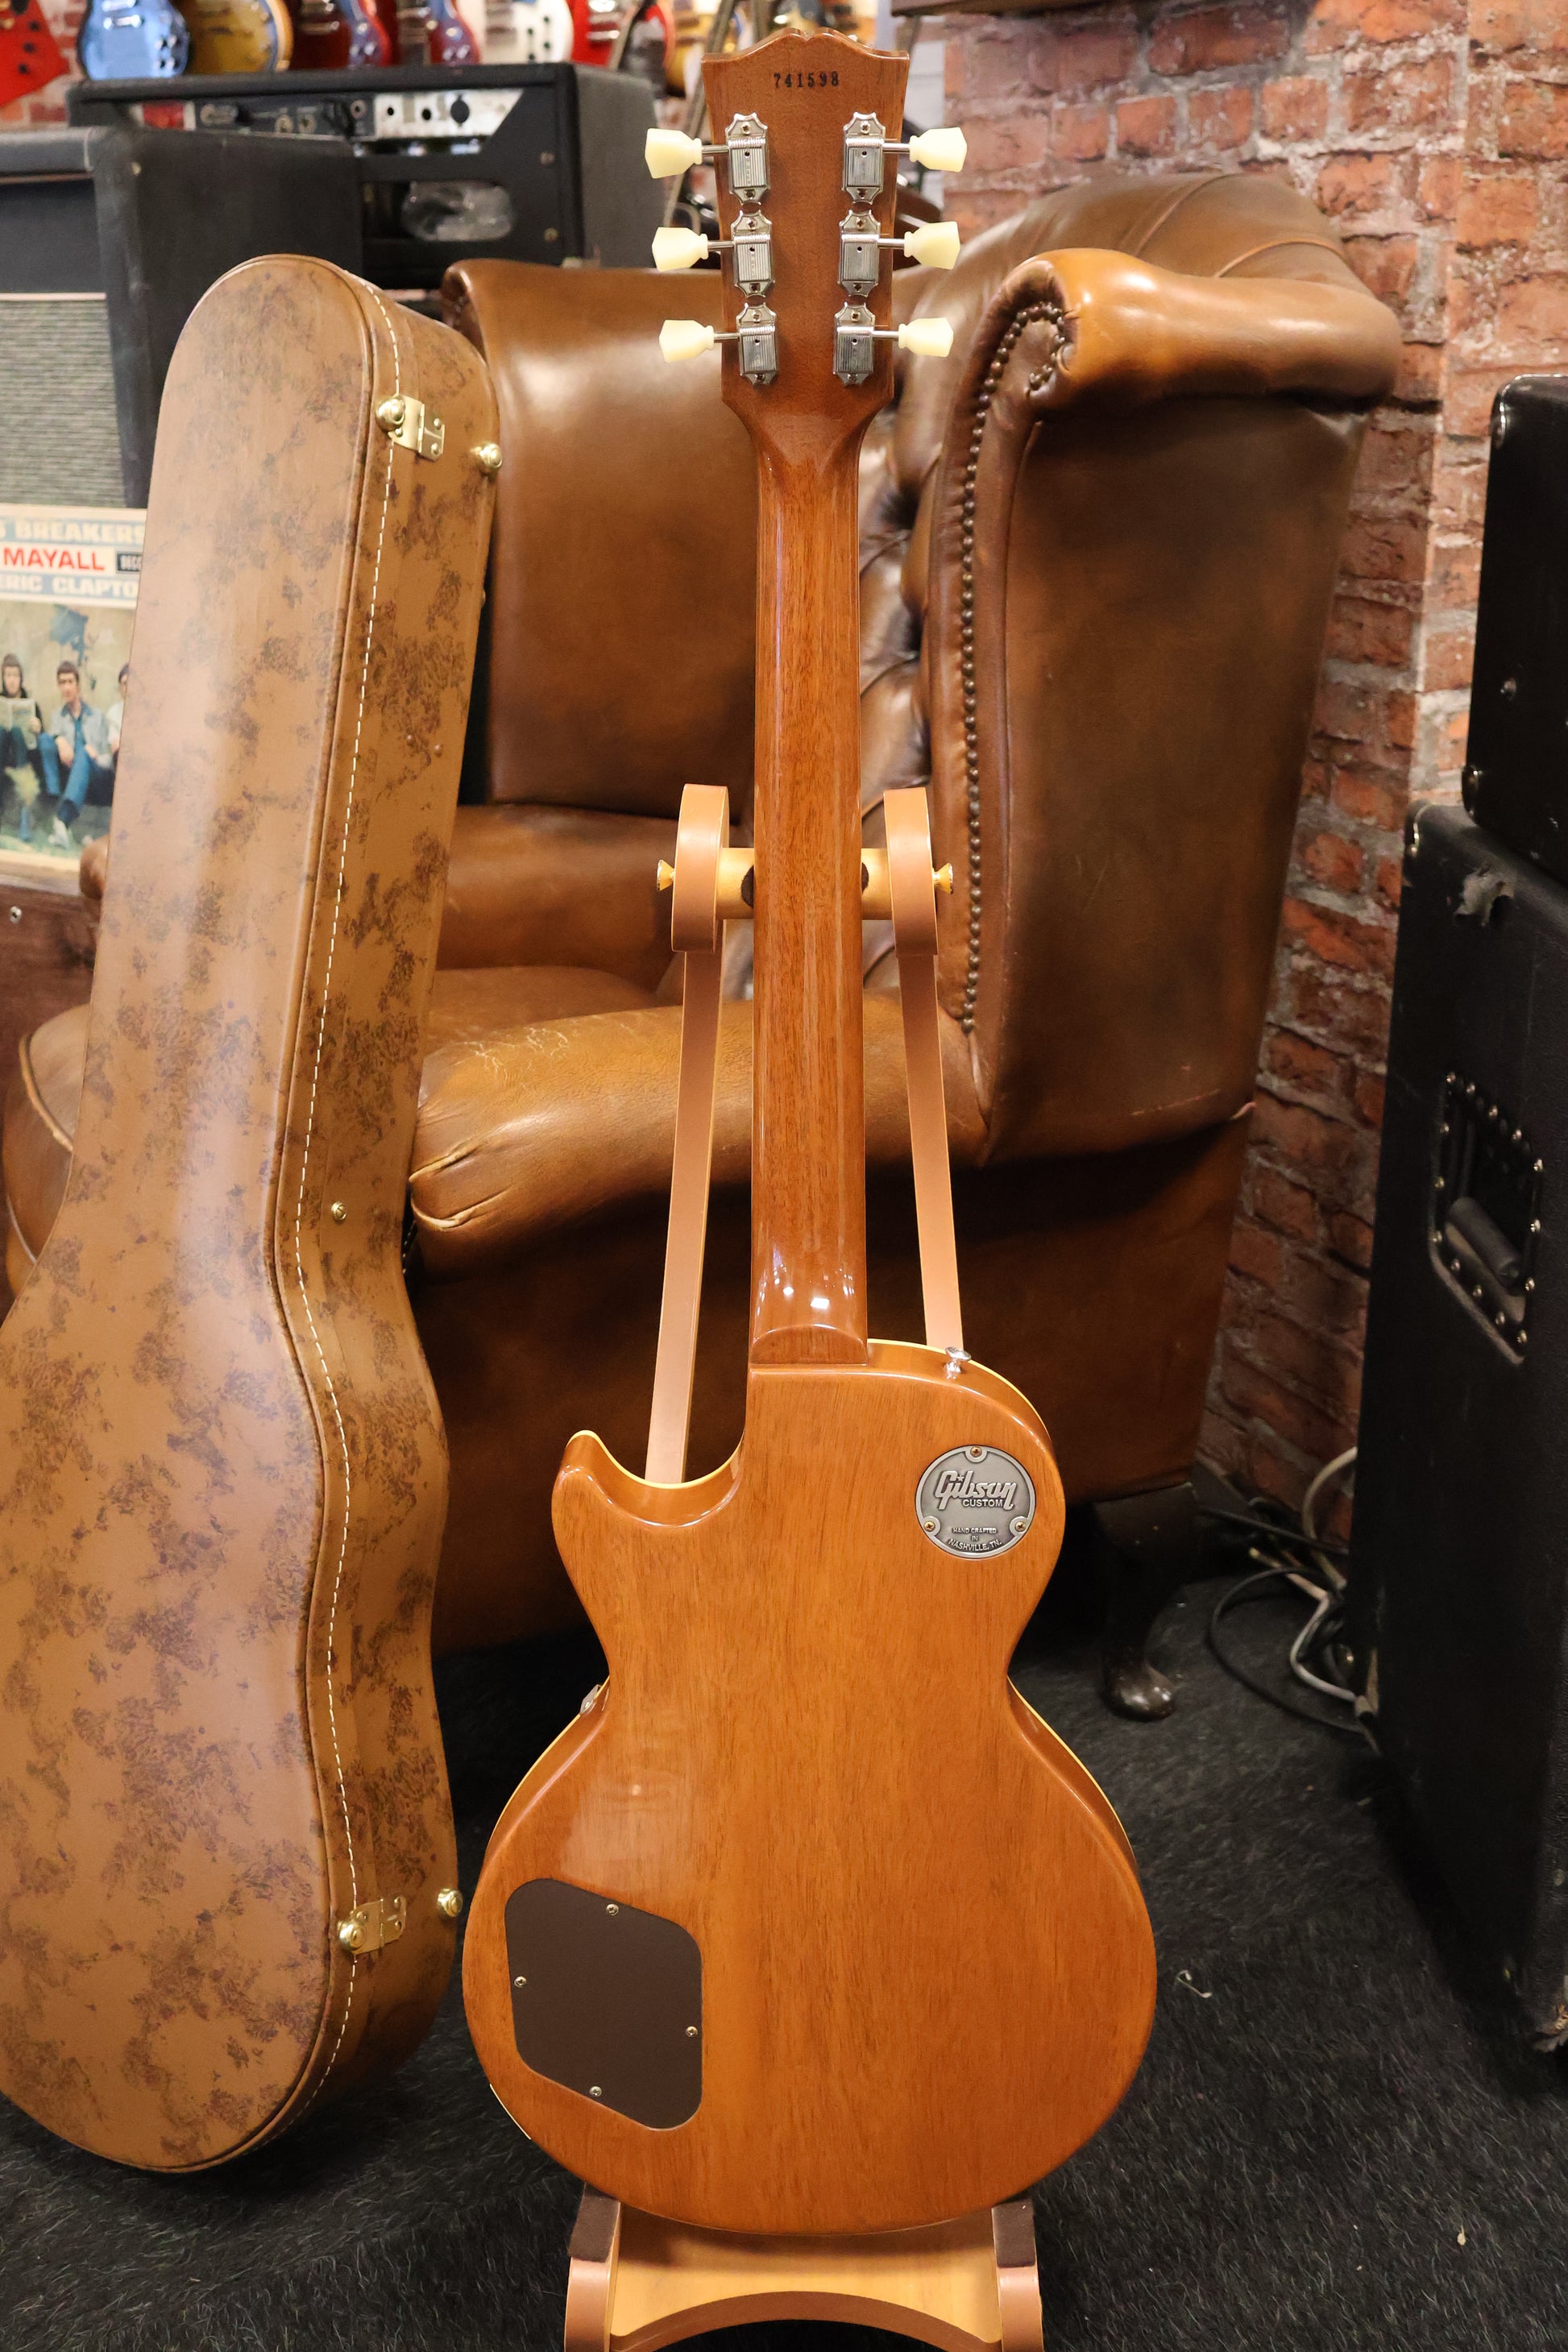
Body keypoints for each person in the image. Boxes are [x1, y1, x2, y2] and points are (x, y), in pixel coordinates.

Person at [42, 659, 114, 848]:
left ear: (78, 685)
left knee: (83, 752)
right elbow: (50, 740)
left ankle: (63, 819)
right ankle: (59, 810)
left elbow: (109, 759)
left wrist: (95, 755)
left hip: (98, 777)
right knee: (47, 739)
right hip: (73, 775)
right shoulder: (58, 716)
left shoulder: (97, 716)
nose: (66, 687)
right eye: (62, 683)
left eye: (70, 682)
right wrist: (59, 739)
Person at [1, 653, 48, 842]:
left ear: (21, 678)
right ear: (3, 678)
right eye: (8, 675)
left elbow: (41, 739)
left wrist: (38, 728)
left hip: (25, 757)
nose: (12, 680)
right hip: (3, 754)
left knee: (19, 732)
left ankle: (25, 816)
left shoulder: (32, 704)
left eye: (15, 675)